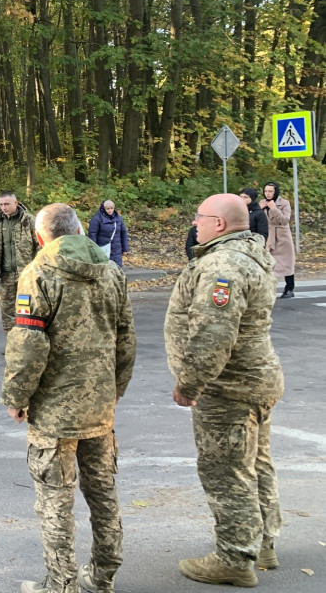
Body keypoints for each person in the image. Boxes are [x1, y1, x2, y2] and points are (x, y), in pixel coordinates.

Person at [1, 203, 136, 593]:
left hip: (55, 412)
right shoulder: (112, 272)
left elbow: (28, 343)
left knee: (55, 500)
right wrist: (115, 390)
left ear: (41, 236)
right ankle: (103, 575)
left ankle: (60, 584)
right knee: (103, 492)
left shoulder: (39, 273)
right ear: (78, 230)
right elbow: (126, 339)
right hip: (100, 407)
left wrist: (16, 395)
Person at [164, 193, 284, 586]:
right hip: (257, 378)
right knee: (256, 462)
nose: (194, 223)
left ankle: (234, 559)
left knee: (227, 471)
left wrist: (189, 383)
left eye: (199, 216)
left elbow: (213, 335)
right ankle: (262, 543)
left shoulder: (223, 264)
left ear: (219, 224)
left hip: (230, 388)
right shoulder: (249, 253)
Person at [0, 191, 39, 334]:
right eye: (1, 204)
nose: (4, 207)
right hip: (7, 273)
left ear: (16, 203)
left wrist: (38, 268)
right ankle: (11, 341)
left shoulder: (29, 220)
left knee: (24, 307)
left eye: (7, 204)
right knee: (7, 309)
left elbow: (39, 245)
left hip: (25, 273)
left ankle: (24, 339)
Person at [261, 181, 295, 298]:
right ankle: (267, 289)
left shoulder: (284, 203)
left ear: (275, 192)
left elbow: (285, 220)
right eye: (266, 191)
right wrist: (260, 209)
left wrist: (274, 209)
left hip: (282, 237)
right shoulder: (262, 203)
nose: (268, 194)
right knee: (267, 263)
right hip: (268, 237)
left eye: (270, 191)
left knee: (286, 262)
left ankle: (289, 288)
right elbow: (255, 218)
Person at [87, 200, 130, 267]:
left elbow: (123, 233)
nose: (110, 210)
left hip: (116, 248)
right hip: (102, 247)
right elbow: (92, 234)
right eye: (107, 209)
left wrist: (125, 248)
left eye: (112, 208)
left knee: (116, 268)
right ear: (103, 208)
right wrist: (94, 249)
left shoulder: (118, 218)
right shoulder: (96, 219)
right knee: (103, 268)